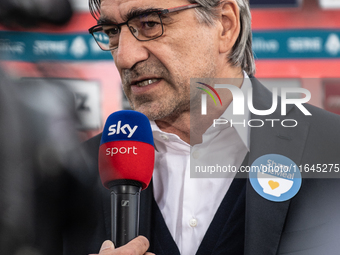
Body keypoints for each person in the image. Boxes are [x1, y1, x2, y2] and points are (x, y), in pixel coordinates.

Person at [66, 0, 340, 254]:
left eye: (149, 23)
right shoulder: (72, 174)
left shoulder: (331, 145)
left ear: (225, 24)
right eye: (113, 31)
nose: (125, 57)